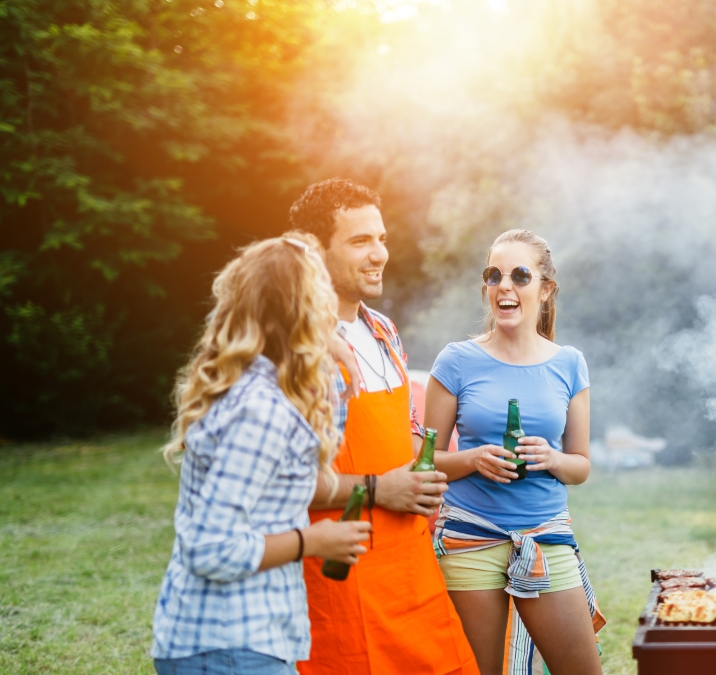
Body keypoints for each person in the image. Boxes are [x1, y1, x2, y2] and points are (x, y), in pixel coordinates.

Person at [152, 233, 372, 675]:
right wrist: (312, 541)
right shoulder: (261, 409)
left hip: (224, 641)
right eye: (322, 294)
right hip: (230, 646)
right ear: (305, 309)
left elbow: (309, 456)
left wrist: (331, 355)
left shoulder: (252, 384)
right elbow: (209, 548)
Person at [288, 180, 479, 675]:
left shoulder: (385, 332)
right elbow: (280, 481)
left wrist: (454, 467)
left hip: (412, 569)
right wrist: (379, 489)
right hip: (338, 578)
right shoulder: (293, 347)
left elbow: (407, 439)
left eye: (382, 239)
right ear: (315, 250)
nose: (379, 255)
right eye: (360, 241)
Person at [424, 229, 604, 675]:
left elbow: (580, 466)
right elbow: (423, 461)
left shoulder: (569, 363)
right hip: (469, 536)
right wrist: (473, 459)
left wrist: (552, 459)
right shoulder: (456, 361)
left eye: (520, 275)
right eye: (494, 275)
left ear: (545, 289)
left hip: (545, 537)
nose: (504, 286)